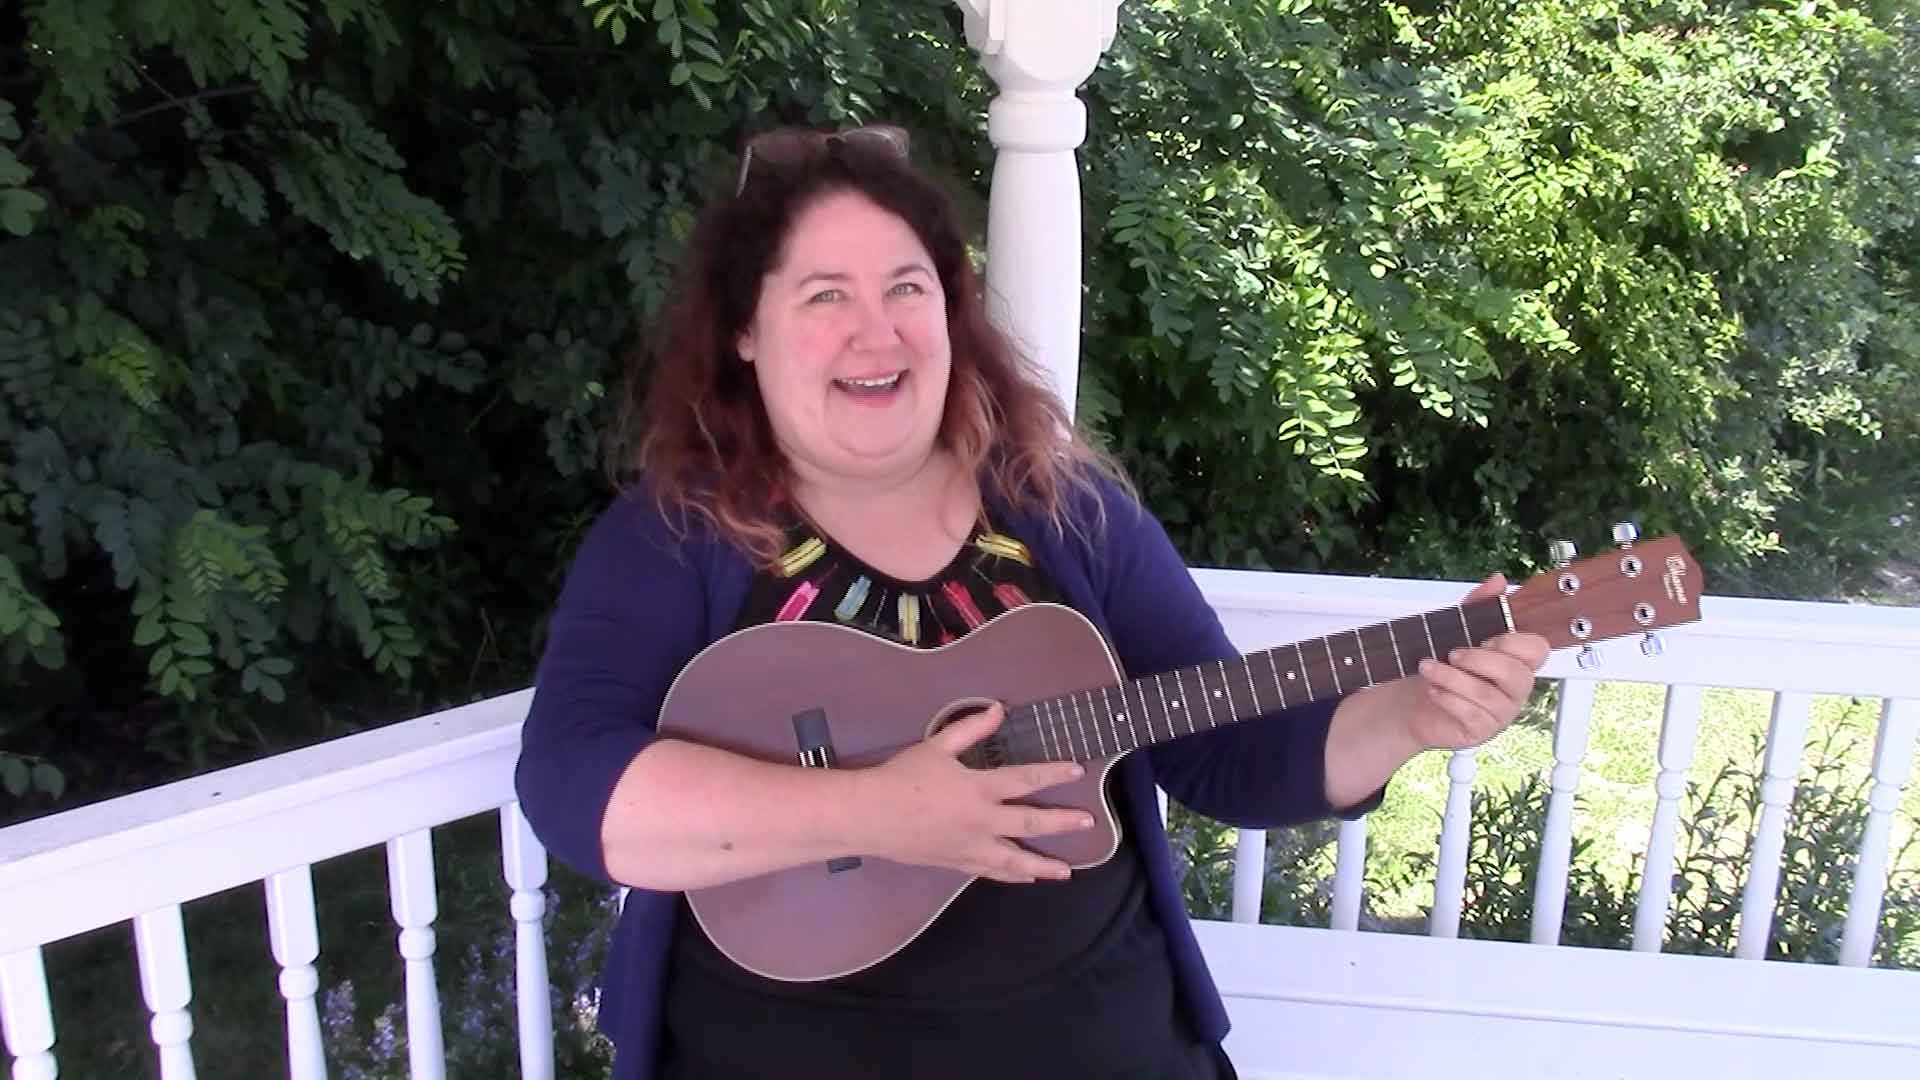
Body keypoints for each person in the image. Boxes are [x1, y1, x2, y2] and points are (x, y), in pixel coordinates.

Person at [514, 123, 1550, 1080]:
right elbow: (571, 780)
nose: (877, 334)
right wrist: (880, 811)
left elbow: (1225, 751)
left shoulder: (1064, 509)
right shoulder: (680, 534)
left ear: (951, 313)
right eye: (825, 296)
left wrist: (1409, 716)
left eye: (908, 290)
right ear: (745, 332)